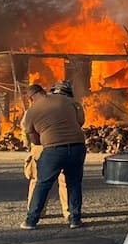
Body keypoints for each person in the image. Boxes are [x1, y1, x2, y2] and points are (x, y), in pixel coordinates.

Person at [22, 79, 87, 230]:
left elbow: (35, 140)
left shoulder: (31, 111)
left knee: (43, 184)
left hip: (53, 149)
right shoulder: (67, 100)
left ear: (30, 98)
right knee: (74, 183)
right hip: (77, 146)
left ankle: (31, 220)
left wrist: (48, 137)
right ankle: (75, 219)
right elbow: (80, 121)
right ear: (43, 91)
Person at [21, 84, 69, 223]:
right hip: (61, 143)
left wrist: (29, 144)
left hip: (40, 146)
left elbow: (25, 129)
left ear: (31, 98)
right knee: (65, 179)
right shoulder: (62, 105)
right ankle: (69, 212)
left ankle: (36, 211)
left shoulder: (32, 110)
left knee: (38, 180)